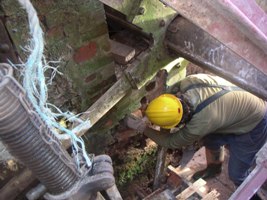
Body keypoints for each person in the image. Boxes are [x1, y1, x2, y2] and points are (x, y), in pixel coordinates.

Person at [126, 73, 267, 187]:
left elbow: (171, 142)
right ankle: (214, 169)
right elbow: (167, 96)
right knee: (211, 139)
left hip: (255, 123)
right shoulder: (189, 82)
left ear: (180, 121)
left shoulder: (200, 124)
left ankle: (252, 192)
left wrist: (143, 128)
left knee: (236, 174)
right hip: (238, 105)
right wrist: (151, 114)